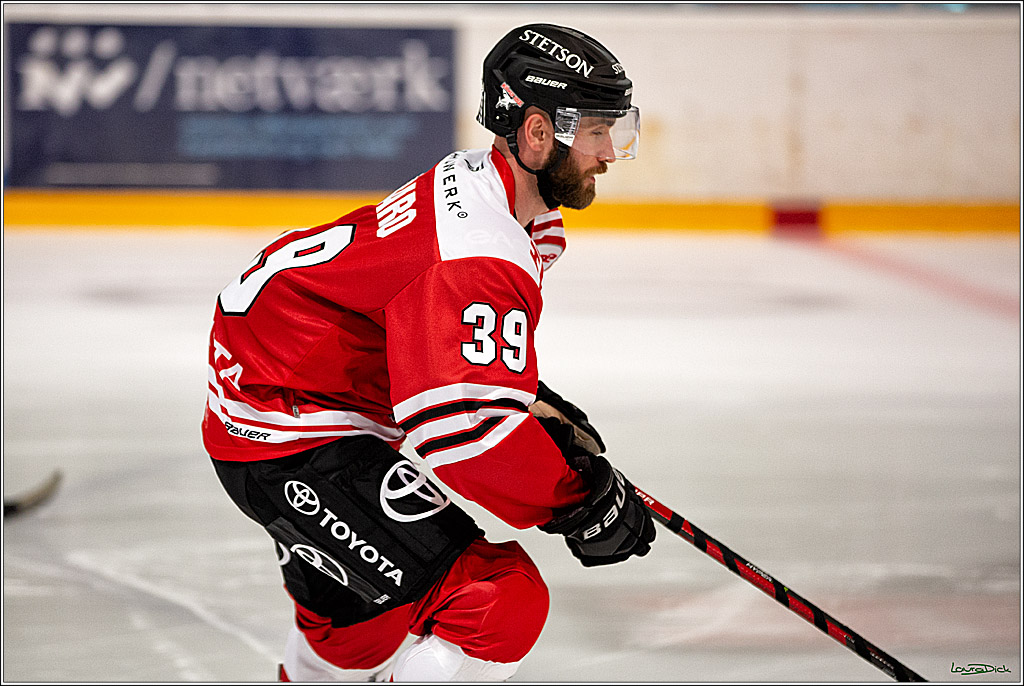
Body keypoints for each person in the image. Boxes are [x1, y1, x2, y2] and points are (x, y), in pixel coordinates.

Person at [202, 23, 656, 682]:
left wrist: (521, 397)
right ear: (536, 132)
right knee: (498, 603)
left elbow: (424, 334)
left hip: (286, 394)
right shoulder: (480, 248)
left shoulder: (487, 186)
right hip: (288, 429)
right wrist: (572, 499)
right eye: (596, 131)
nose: (610, 153)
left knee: (355, 627)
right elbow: (460, 432)